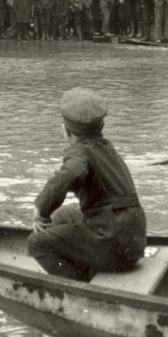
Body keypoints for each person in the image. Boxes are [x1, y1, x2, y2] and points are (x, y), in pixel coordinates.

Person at [26, 87, 147, 281]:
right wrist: (48, 210)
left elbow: (71, 173)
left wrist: (40, 208)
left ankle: (80, 282)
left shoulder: (79, 153)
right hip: (134, 241)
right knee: (62, 215)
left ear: (65, 131)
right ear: (101, 126)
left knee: (36, 242)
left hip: (114, 246)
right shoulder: (105, 146)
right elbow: (76, 178)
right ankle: (83, 261)